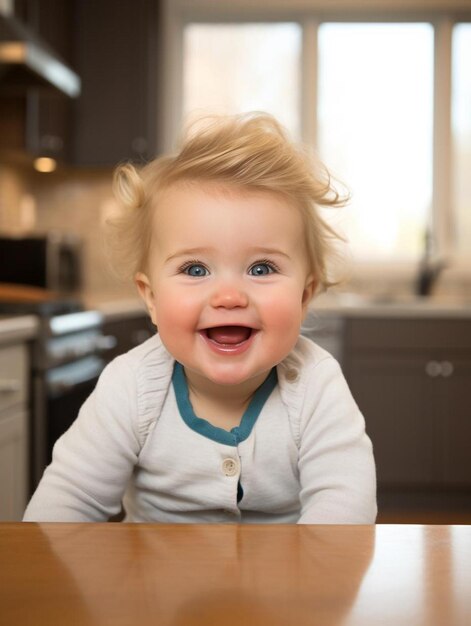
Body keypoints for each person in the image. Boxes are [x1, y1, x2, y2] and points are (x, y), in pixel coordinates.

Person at [23, 112, 377, 524]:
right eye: (195, 270)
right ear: (151, 298)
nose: (229, 296)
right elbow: (67, 502)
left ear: (304, 295)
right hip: (156, 588)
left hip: (287, 587)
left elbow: (344, 511)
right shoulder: (131, 387)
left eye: (261, 268)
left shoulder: (317, 386)